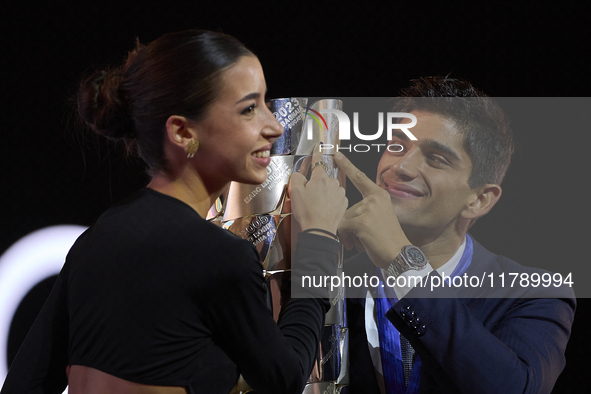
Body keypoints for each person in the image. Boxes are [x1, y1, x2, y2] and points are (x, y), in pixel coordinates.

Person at [1, 30, 347, 394]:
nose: (274, 127)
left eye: (264, 103)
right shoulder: (219, 257)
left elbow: (26, 384)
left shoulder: (94, 241)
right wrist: (317, 245)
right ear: (182, 132)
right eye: (249, 109)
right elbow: (285, 378)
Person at [334, 77, 576, 393]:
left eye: (436, 158)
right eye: (396, 146)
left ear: (479, 199)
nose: (402, 167)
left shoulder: (533, 294)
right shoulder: (336, 279)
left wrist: (402, 262)